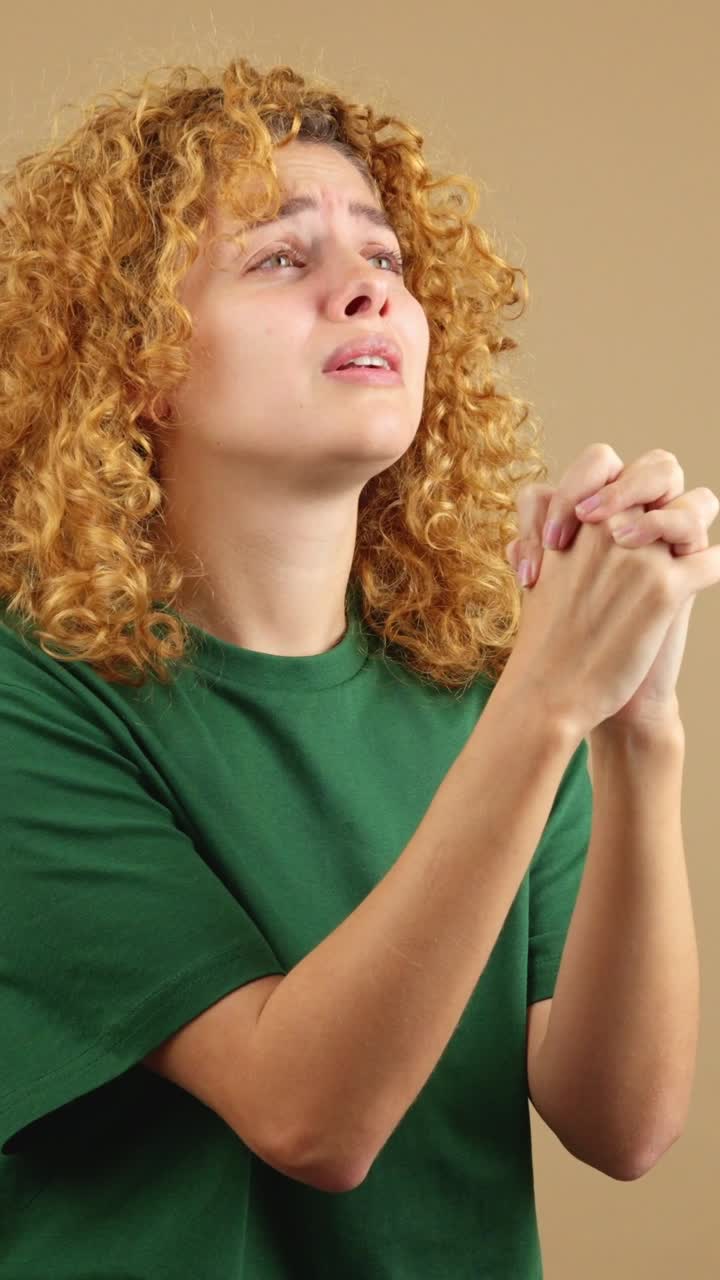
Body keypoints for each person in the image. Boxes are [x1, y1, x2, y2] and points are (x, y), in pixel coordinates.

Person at [0, 57, 592, 1278]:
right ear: (135, 361)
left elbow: (624, 1119)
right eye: (282, 257)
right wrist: (552, 697)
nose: (366, 293)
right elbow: (307, 1114)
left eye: (384, 259)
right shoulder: (29, 696)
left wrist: (642, 724)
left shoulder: (482, 686)